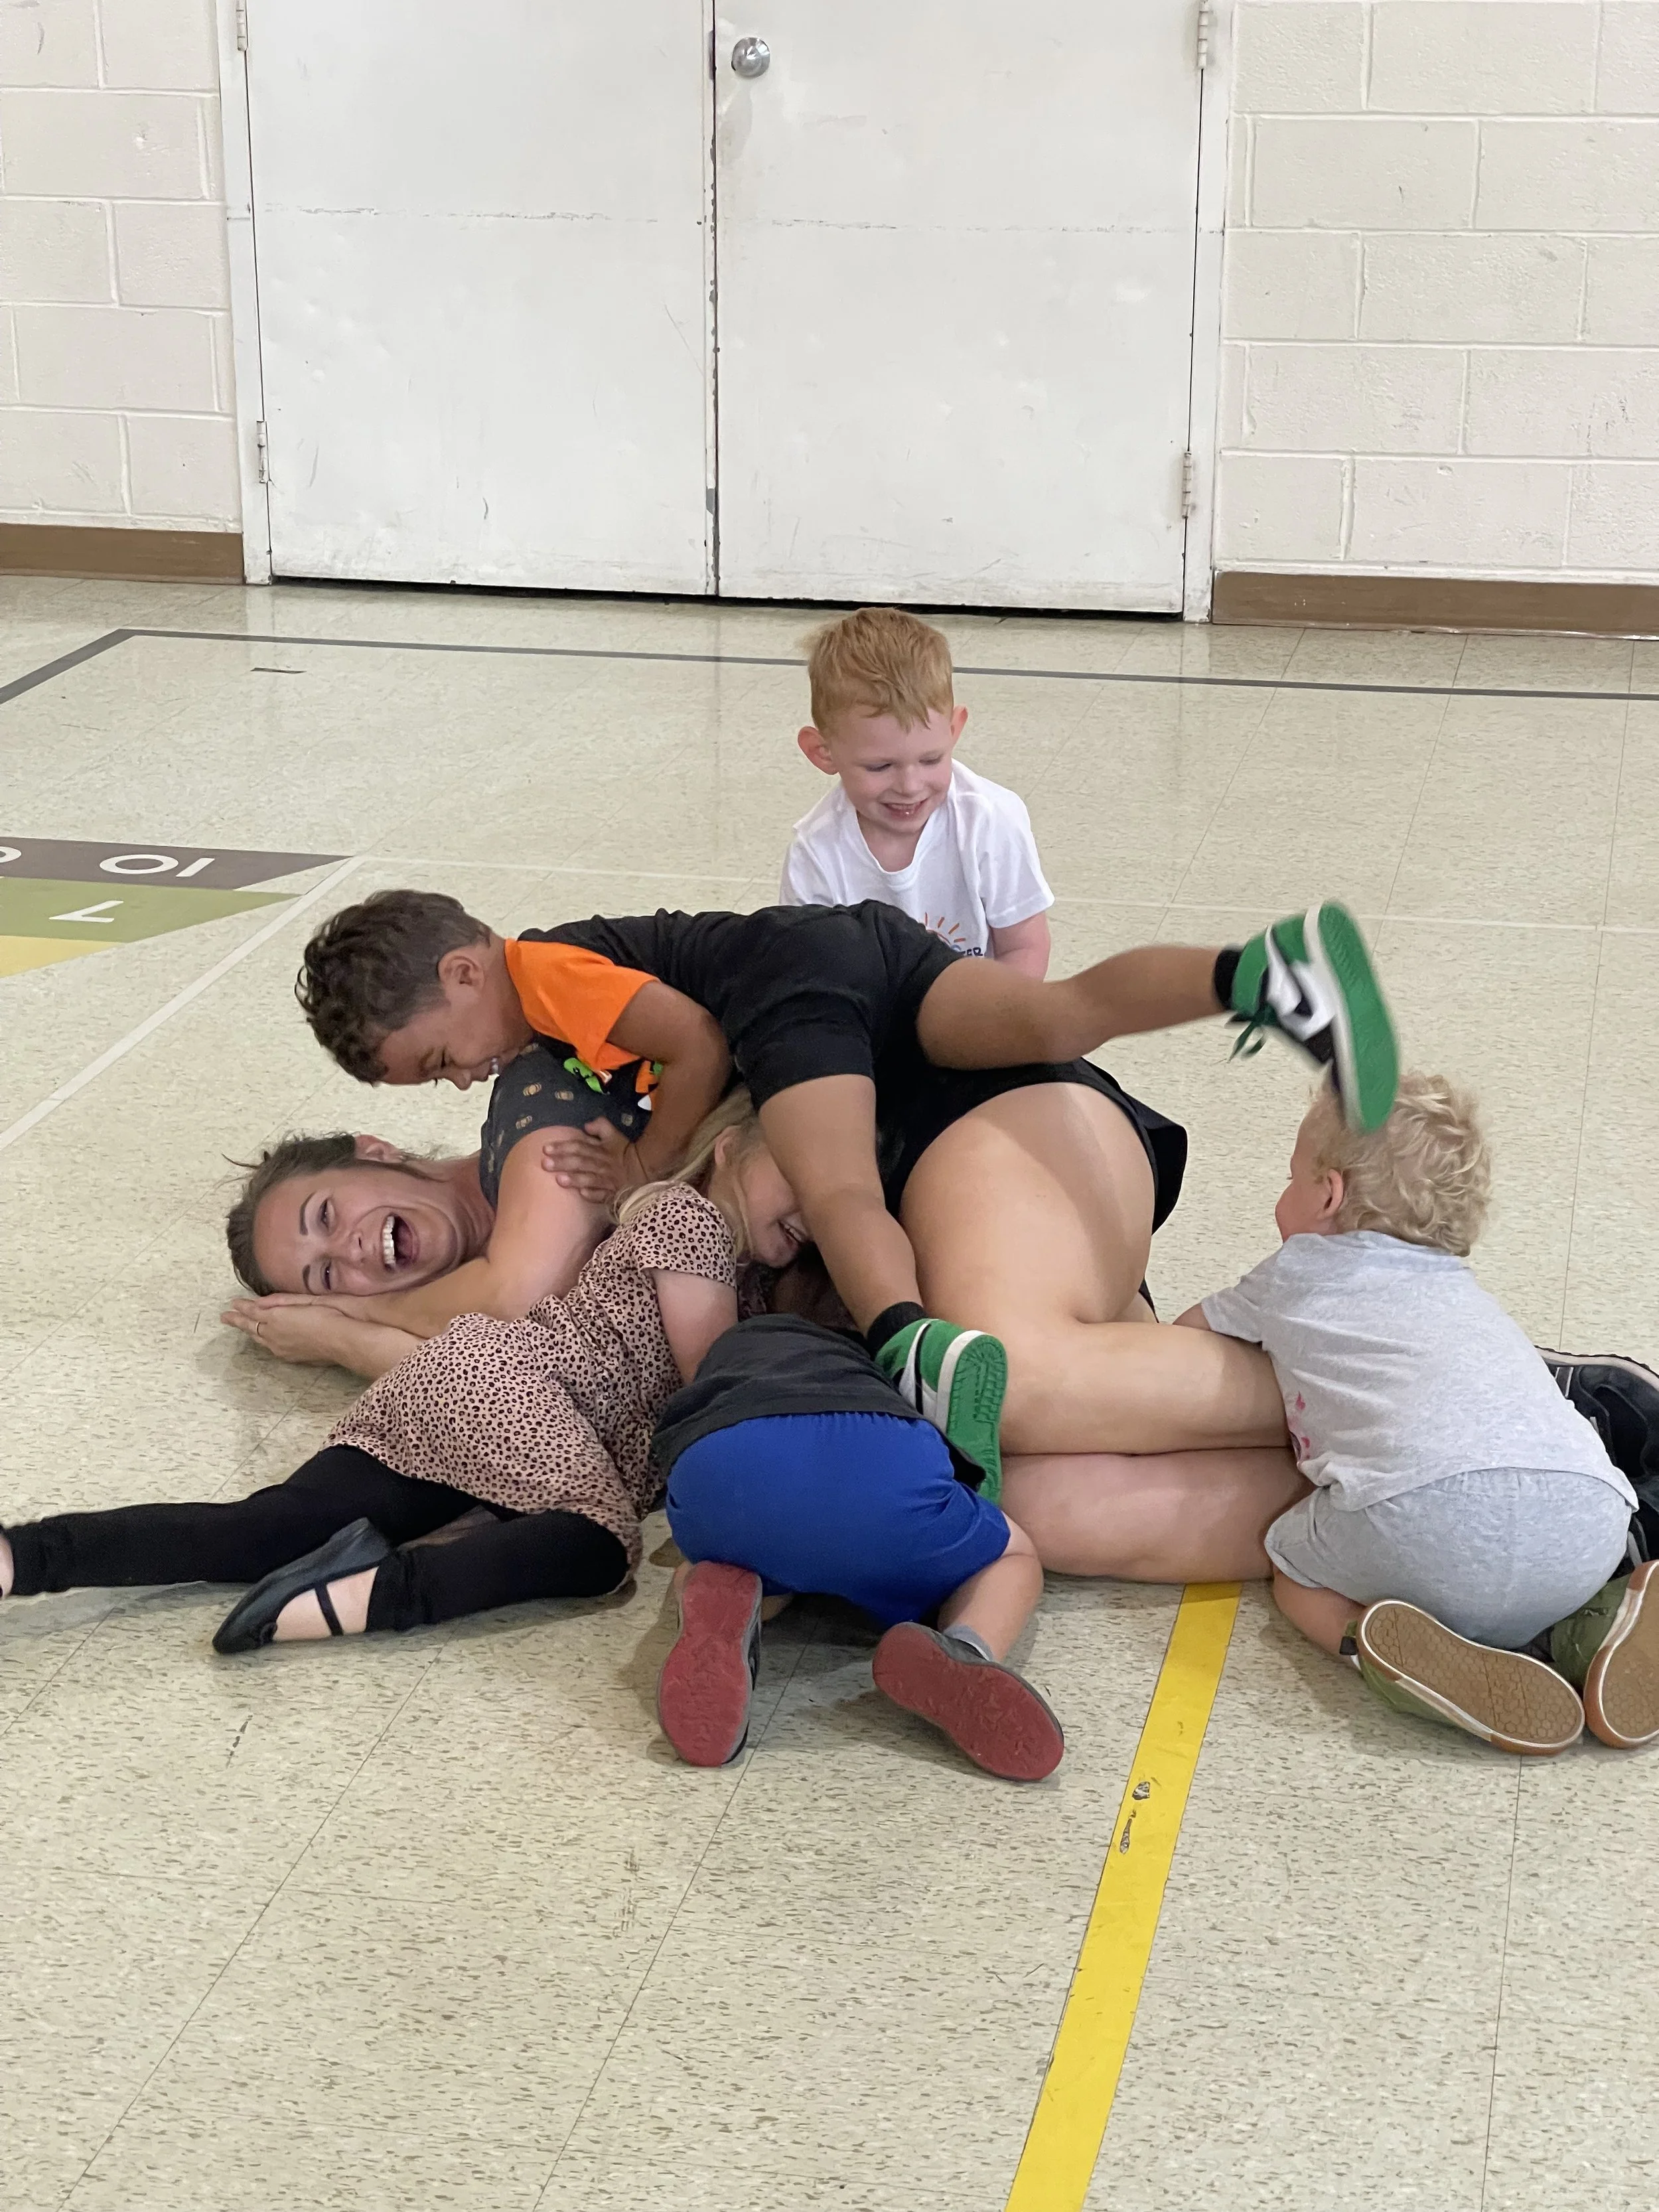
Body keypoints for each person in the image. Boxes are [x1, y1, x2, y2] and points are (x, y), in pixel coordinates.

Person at [293, 885, 1400, 1486]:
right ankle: (1257, 972)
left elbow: (695, 1041)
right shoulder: (534, 991)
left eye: (441, 1056)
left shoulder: (545, 975)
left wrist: (640, 1163)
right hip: (878, 951)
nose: (465, 1076)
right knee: (1060, 1012)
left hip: (787, 985)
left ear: (464, 970)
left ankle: (911, 1336)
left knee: (837, 1193)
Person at [1, 1098, 792, 1650]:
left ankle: (27, 1556)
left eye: (326, 1220)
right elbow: (711, 1392)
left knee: (268, 1525)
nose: (811, 1206)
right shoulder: (689, 1221)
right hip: (517, 1388)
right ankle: (369, 1599)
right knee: (594, 1546)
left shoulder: (702, 1244)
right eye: (319, 1269)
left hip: (462, 1385)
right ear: (727, 1149)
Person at [1181, 1072, 1656, 1757]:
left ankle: (1377, 1651)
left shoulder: (1295, 1269)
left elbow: (1184, 1340)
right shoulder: (1466, 1292)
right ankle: (1599, 1632)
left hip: (1425, 1515)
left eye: (1289, 1179)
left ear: (1327, 1194)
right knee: (1533, 1587)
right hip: (1590, 1513)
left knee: (1291, 1570)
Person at [654, 1315, 1064, 1783]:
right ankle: (965, 1646)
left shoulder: (727, 1346)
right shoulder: (865, 1350)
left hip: (720, 1463)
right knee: (1012, 1555)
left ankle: (725, 1613)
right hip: (873, 1458)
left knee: (719, 1563)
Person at [219, 1037, 650, 1374]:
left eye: (326, 1215)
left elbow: (512, 1294)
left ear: (375, 1151)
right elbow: (507, 1385)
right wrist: (339, 1338)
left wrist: (351, 1316)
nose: (350, 1249)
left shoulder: (531, 1106)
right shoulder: (468, 1314)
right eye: (328, 1277)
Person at [780, 606, 1054, 977]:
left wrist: (993, 1026)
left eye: (930, 760)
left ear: (954, 730)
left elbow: (1024, 945)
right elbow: (812, 971)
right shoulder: (815, 849)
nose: (909, 787)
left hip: (979, 1016)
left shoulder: (991, 819)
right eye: (880, 767)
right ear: (823, 752)